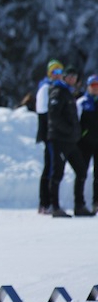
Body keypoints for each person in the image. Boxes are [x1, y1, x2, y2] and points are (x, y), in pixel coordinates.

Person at [47, 66, 93, 217]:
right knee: (57, 173)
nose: (72, 79)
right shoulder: (58, 91)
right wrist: (68, 130)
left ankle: (79, 205)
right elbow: (54, 117)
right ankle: (54, 207)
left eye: (75, 77)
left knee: (81, 170)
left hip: (71, 141)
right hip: (59, 139)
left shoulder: (69, 93)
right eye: (70, 76)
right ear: (64, 77)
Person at [36, 60, 64, 213]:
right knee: (50, 167)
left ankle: (49, 202)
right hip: (50, 134)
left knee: (53, 166)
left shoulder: (59, 88)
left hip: (57, 134)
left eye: (60, 72)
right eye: (55, 72)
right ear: (49, 73)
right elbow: (44, 114)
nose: (58, 75)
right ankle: (45, 202)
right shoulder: (45, 88)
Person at [77, 74, 98, 213]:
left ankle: (96, 202)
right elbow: (75, 122)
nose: (95, 89)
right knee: (81, 173)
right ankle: (79, 203)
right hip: (84, 144)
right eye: (93, 86)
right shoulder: (81, 102)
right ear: (88, 87)